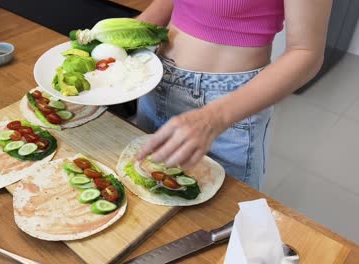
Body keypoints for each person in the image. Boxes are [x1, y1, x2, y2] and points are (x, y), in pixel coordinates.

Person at [135, 0, 332, 189]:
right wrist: (117, 43)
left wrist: (213, 118)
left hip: (228, 107)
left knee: (218, 218)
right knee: (140, 198)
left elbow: (306, 53)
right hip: (157, 82)